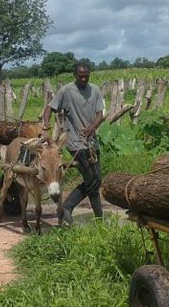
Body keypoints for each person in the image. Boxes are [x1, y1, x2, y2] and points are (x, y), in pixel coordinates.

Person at [42, 62, 105, 225]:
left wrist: (92, 128)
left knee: (95, 181)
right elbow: (49, 108)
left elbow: (100, 115)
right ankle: (72, 210)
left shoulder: (95, 90)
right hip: (76, 143)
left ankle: (70, 209)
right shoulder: (66, 91)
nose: (84, 78)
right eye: (80, 76)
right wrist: (46, 123)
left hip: (92, 142)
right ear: (75, 75)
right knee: (92, 180)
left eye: (86, 75)